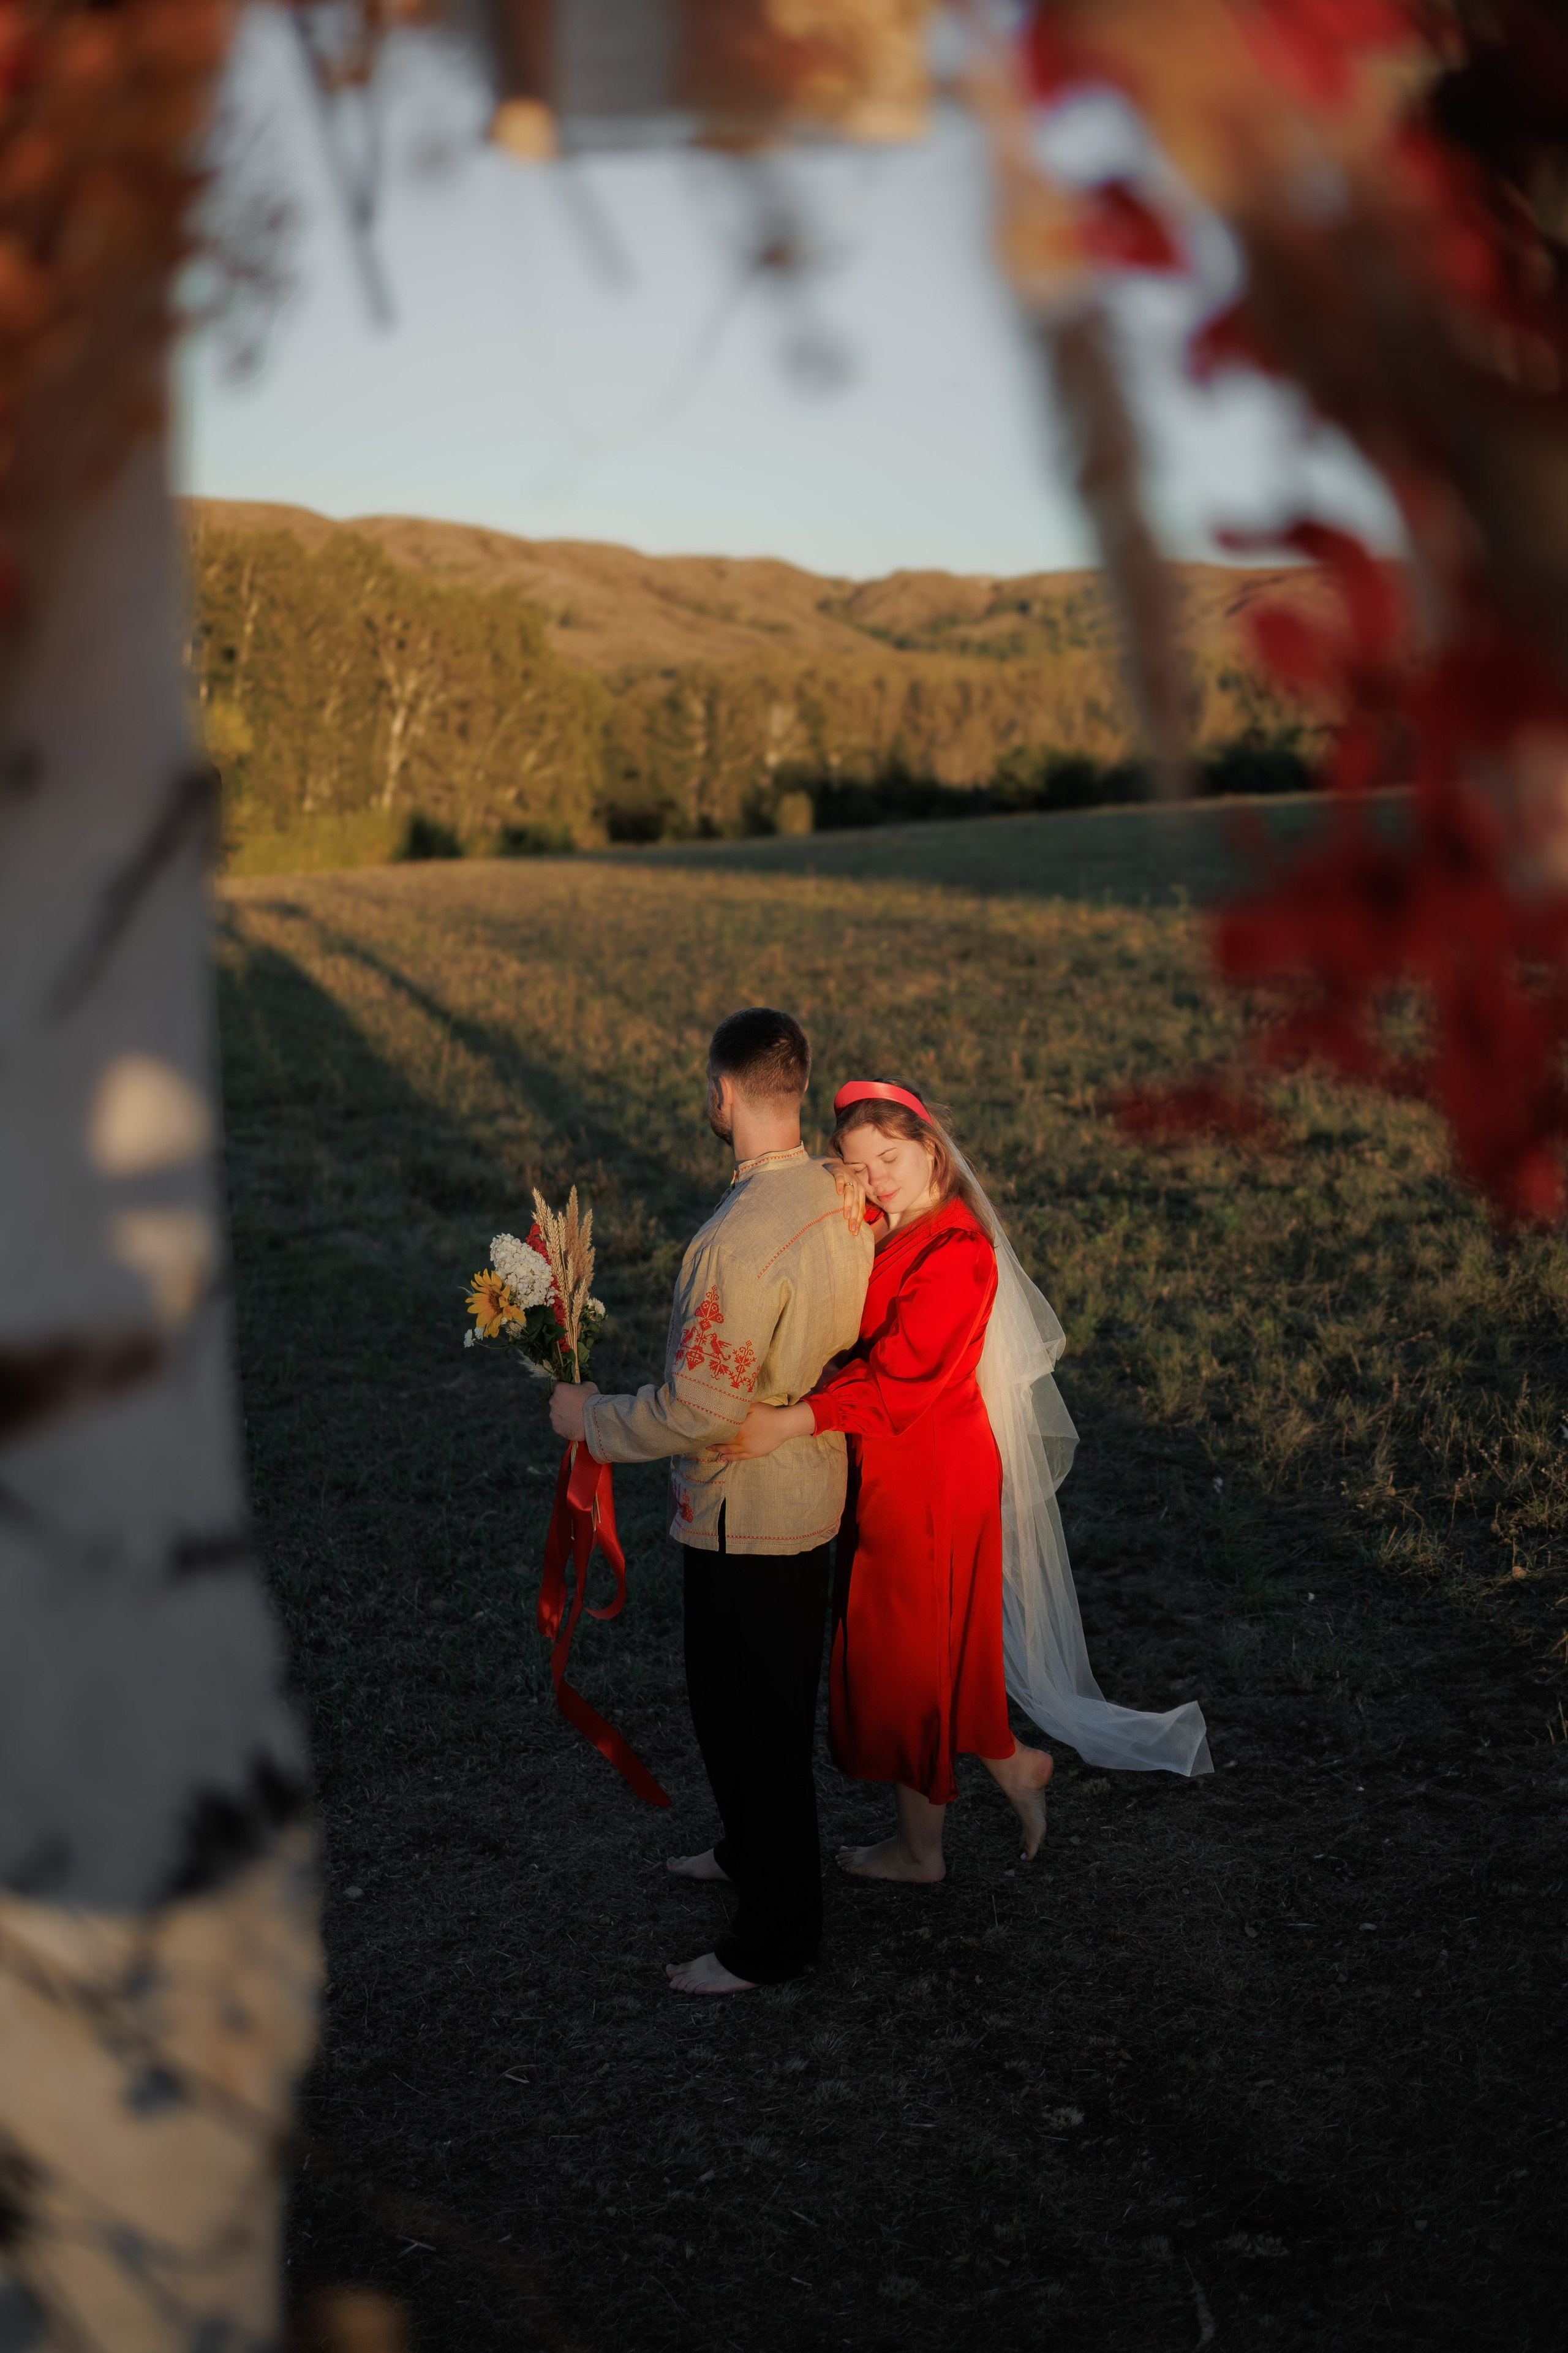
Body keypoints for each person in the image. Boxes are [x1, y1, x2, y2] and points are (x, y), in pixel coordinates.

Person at [720, 1078, 1211, 1885]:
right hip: (899, 1465)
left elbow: (901, 1378)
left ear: (932, 1150)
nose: (876, 1179)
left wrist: (792, 1419)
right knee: (937, 1645)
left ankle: (921, 1851)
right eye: (857, 1165)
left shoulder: (956, 1253)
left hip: (929, 1476)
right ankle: (1011, 1763)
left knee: (908, 1658)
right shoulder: (886, 1223)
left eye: (891, 1157)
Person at [549, 1010, 872, 1994]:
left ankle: (776, 1937)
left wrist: (592, 1417)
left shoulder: (733, 1241)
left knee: (750, 1723)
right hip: (812, 1491)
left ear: (723, 1094)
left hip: (745, 1515)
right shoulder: (838, 1189)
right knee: (762, 1707)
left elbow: (699, 1409)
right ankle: (747, 1851)